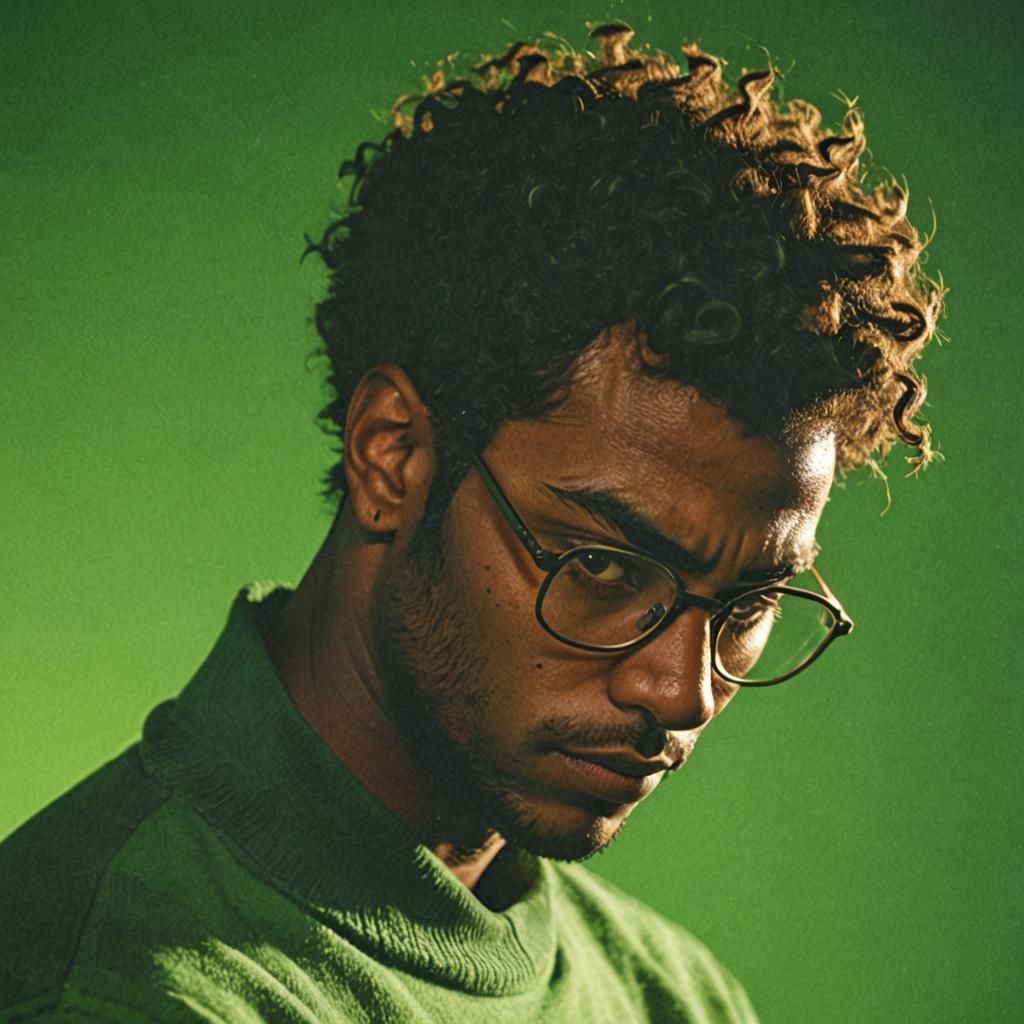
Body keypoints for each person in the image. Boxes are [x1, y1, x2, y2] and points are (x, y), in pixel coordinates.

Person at [0, 22, 941, 1023]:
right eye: (602, 564)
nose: (684, 689)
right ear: (393, 453)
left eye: (749, 598)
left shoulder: (678, 996)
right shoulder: (113, 985)